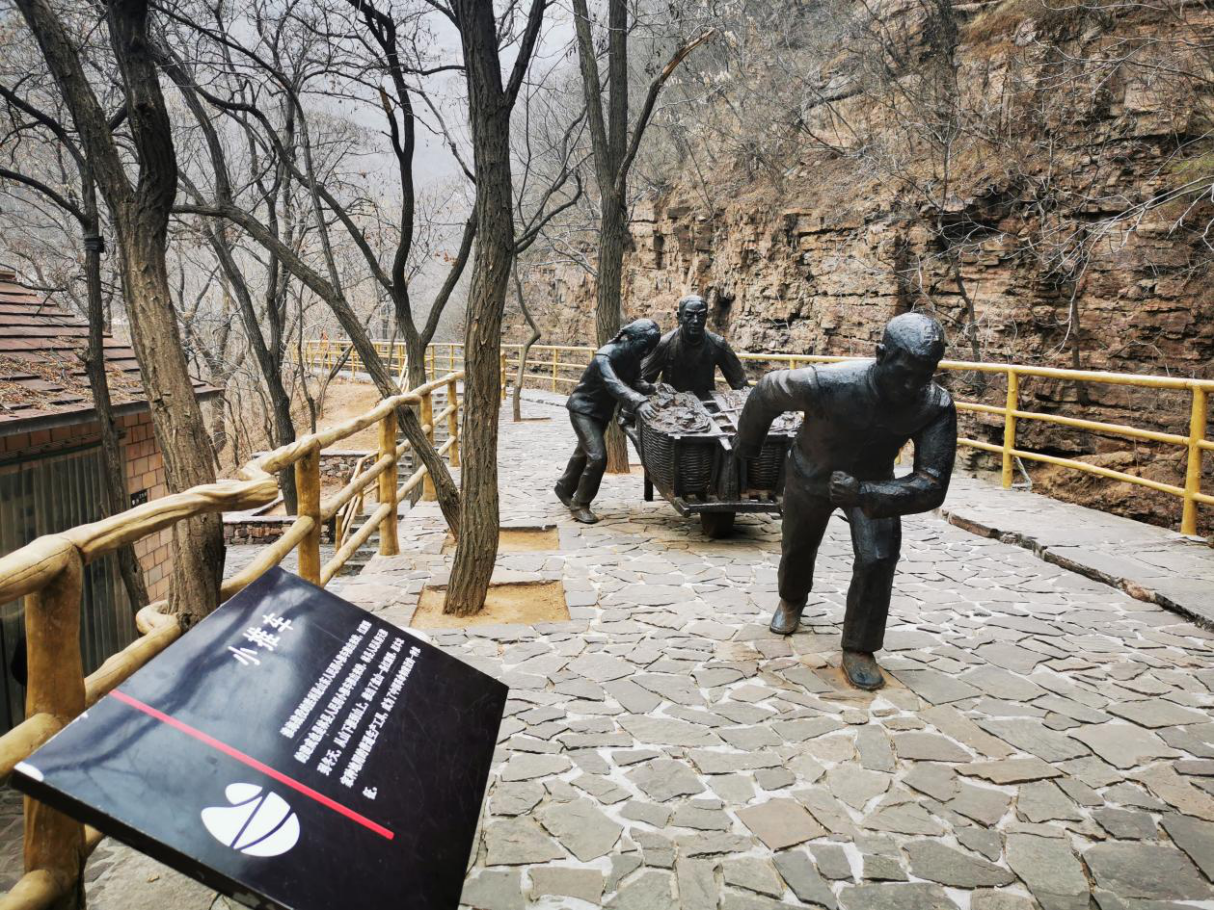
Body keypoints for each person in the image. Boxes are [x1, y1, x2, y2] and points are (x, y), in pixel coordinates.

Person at [734, 313, 957, 691]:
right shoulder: (828, 382)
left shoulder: (934, 405)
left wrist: (865, 493)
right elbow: (768, 391)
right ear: (881, 355)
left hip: (873, 483)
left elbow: (932, 484)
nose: (912, 385)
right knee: (798, 544)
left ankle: (859, 647)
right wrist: (748, 443)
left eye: (924, 375)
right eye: (904, 373)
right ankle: (791, 600)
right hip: (810, 474)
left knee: (878, 557)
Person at [555, 319, 661, 524]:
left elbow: (635, 381)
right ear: (631, 339)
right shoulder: (606, 356)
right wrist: (639, 402)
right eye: (645, 346)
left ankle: (564, 487)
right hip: (583, 410)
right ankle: (579, 504)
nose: (647, 351)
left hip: (601, 412)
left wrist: (652, 389)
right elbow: (614, 385)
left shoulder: (632, 356)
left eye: (650, 348)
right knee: (597, 457)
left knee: (582, 453)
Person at [641, 294, 748, 396]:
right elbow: (641, 384)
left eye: (701, 315)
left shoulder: (718, 344)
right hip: (673, 404)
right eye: (689, 315)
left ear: (706, 317)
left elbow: (742, 386)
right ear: (679, 317)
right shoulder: (664, 345)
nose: (696, 321)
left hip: (707, 405)